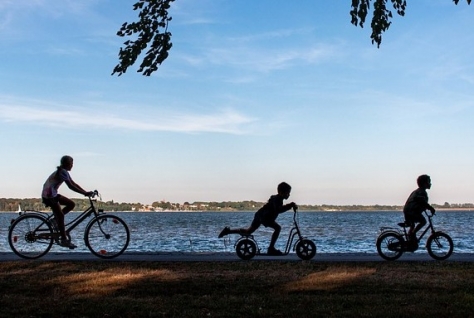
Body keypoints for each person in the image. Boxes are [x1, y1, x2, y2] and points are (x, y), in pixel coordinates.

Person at [218, 182, 297, 256]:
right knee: (278, 228)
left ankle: (228, 231)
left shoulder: (277, 198)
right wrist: (290, 205)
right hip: (264, 217)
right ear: (281, 192)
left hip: (260, 215)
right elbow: (278, 210)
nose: (289, 195)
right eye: (287, 193)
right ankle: (271, 248)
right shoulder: (277, 199)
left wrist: (290, 205)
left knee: (248, 231)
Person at [42, 155, 94, 249]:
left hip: (52, 194)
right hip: (49, 196)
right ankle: (64, 239)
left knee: (71, 204)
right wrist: (84, 193)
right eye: (71, 163)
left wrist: (85, 192)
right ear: (66, 164)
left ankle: (54, 220)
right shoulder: (62, 172)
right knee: (61, 215)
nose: (72, 165)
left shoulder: (64, 171)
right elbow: (71, 186)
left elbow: (74, 183)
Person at [403, 174, 435, 242]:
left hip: (408, 211)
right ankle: (412, 235)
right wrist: (431, 208)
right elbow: (422, 202)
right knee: (423, 221)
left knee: (412, 226)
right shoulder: (421, 192)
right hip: (411, 211)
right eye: (429, 182)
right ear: (424, 183)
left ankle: (410, 241)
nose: (430, 184)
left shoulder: (417, 191)